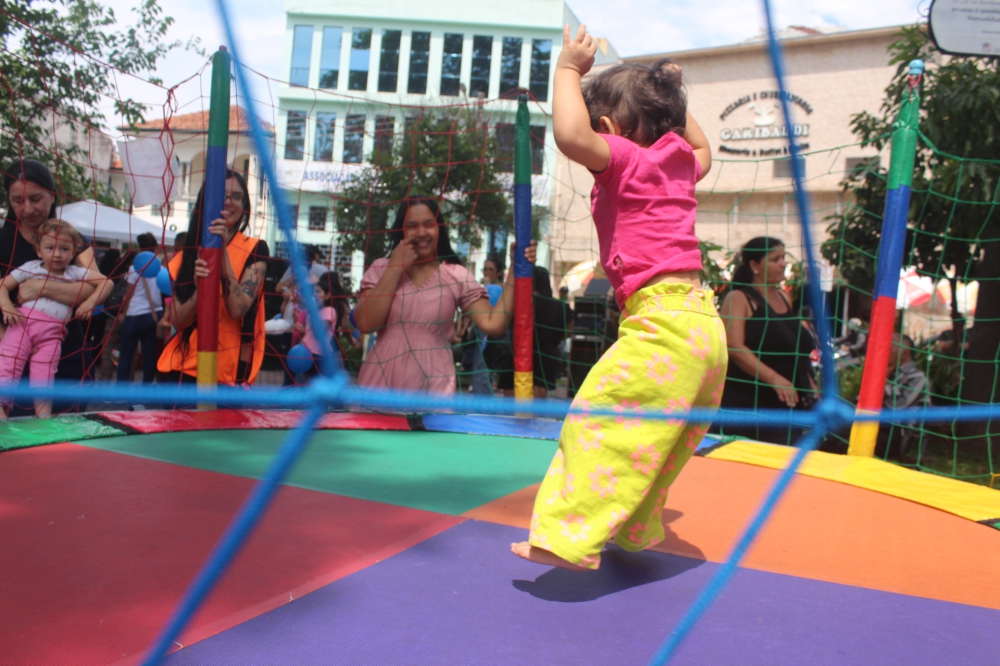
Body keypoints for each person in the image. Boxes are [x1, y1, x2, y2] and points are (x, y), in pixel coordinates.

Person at [511, 26, 725, 571]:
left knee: (597, 424)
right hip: (706, 327)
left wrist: (568, 68)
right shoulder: (680, 164)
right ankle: (634, 528)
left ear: (607, 129)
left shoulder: (627, 161)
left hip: (663, 326)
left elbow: (568, 134)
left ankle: (565, 538)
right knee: (660, 441)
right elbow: (704, 147)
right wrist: (672, 96)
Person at [353, 196, 536, 394]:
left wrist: (516, 267)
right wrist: (395, 267)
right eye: (412, 226)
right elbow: (365, 323)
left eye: (429, 224)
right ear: (401, 230)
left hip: (434, 391)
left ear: (439, 228)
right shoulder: (381, 268)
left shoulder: (455, 274)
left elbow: (494, 324)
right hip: (379, 388)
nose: (421, 232)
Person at [1, 158, 107, 414]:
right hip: (12, 354)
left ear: (52, 195)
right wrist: (13, 341)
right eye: (18, 200)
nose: (28, 208)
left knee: (62, 431)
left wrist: (41, 288)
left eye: (36, 199)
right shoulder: (3, 241)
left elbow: (95, 287)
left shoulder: (72, 238)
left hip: (66, 354)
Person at [157, 170, 269, 386]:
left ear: (244, 206)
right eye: (222, 195)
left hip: (227, 375)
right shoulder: (186, 255)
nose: (229, 202)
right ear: (206, 201)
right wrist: (201, 289)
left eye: (237, 197)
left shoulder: (255, 249)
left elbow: (237, 310)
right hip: (179, 370)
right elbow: (178, 322)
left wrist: (221, 251)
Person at [715, 236, 818, 445]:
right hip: (749, 406)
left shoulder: (784, 297)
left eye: (783, 258)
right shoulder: (739, 298)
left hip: (789, 407)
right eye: (775, 259)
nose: (783, 264)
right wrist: (775, 379)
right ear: (754, 265)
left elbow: (794, 350)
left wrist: (812, 387)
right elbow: (734, 346)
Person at [876, 333, 931, 460]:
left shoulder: (917, 378)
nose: (885, 350)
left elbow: (895, 406)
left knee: (843, 442)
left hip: (895, 433)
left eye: (890, 347)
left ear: (905, 354)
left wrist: (882, 382)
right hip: (872, 424)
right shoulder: (890, 373)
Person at [116, 233, 163, 383]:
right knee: (149, 356)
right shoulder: (161, 268)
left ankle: (121, 390)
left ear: (140, 248)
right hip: (155, 314)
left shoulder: (134, 268)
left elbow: (128, 295)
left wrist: (123, 314)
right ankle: (147, 390)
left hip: (135, 314)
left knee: (126, 355)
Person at [532, 266, 575, 398]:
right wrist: (555, 338)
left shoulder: (527, 303)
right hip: (549, 352)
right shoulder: (561, 307)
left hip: (528, 351)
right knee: (540, 391)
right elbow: (569, 332)